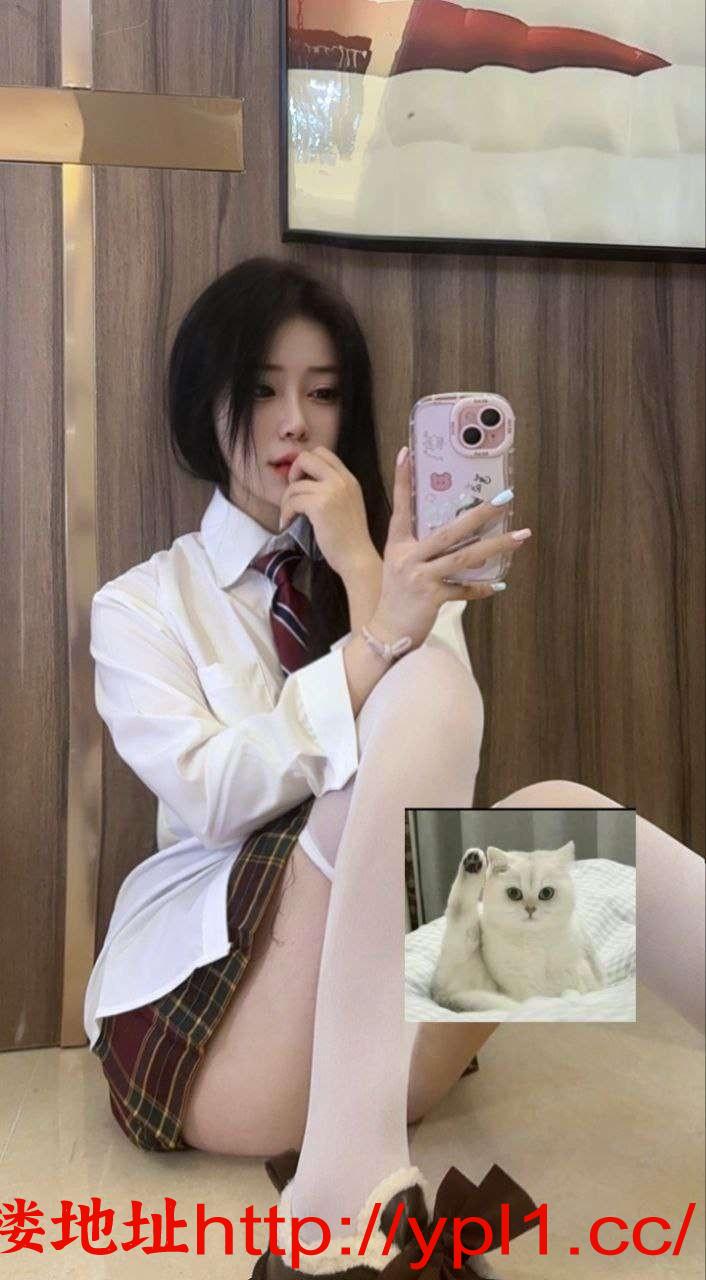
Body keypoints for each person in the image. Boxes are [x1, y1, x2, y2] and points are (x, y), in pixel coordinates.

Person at [84, 256, 705, 1280]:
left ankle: (347, 1180)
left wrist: (364, 569)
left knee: (555, 815)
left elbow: (439, 758)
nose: (296, 422)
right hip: (221, 1040)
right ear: (205, 402)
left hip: (378, 1057)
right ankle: (341, 1194)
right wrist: (376, 644)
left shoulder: (385, 568)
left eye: (324, 392)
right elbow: (210, 793)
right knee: (415, 697)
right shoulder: (141, 603)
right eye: (262, 389)